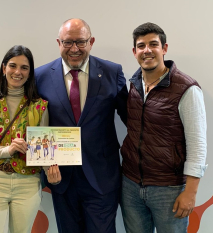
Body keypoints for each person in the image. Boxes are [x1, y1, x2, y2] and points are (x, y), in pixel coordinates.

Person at [35, 18, 128, 233]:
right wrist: (46, 165)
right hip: (61, 179)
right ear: (59, 43)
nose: (74, 49)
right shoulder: (39, 77)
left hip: (102, 177)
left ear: (91, 41)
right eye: (68, 43)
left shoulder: (112, 72)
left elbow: (131, 118)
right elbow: (38, 124)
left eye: (80, 42)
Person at [120, 22, 207, 233]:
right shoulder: (134, 85)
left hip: (169, 189)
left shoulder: (186, 89)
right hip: (130, 185)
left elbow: (197, 145)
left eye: (153, 44)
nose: (147, 50)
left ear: (164, 48)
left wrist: (190, 193)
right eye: (141, 46)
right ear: (134, 52)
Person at [0, 45, 61, 233]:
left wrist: (52, 172)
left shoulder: (39, 107)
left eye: (24, 67)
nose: (17, 72)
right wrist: (7, 150)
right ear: (4, 69)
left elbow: (42, 151)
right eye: (13, 66)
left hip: (27, 183)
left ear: (30, 73)